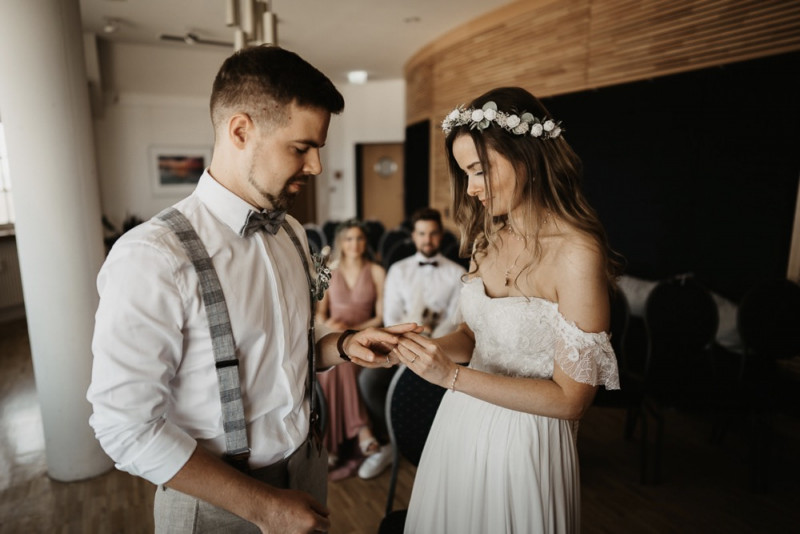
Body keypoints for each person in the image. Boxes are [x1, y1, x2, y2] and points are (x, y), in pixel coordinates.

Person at [87, 45, 416, 534]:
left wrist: (341, 344)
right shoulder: (153, 257)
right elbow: (124, 427)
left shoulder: (293, 235)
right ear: (240, 131)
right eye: (301, 147)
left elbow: (278, 345)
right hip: (213, 502)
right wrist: (264, 507)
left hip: (308, 471)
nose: (316, 167)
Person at [392, 87, 622, 533]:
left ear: (528, 156)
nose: (472, 189)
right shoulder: (486, 241)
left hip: (527, 442)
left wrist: (451, 377)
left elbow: (573, 399)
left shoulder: (576, 254)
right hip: (459, 423)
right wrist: (419, 348)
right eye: (465, 174)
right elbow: (474, 335)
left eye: (479, 170)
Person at [357, 207, 466, 479]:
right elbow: (391, 317)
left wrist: (431, 345)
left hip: (442, 349)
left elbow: (455, 320)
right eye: (421, 234)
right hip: (400, 345)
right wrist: (406, 345)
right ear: (413, 237)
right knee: (368, 382)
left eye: (432, 234)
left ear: (441, 236)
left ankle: (438, 445)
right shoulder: (398, 270)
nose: (427, 239)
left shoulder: (457, 273)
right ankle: (393, 440)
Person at [314, 219, 386, 478]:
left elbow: (380, 317)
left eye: (359, 239)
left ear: (365, 242)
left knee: (340, 363)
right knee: (337, 360)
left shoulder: (376, 271)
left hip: (365, 334)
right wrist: (331, 324)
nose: (354, 244)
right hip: (336, 334)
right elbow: (320, 315)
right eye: (349, 239)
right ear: (340, 243)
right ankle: (360, 430)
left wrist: (357, 330)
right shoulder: (329, 271)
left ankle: (332, 442)